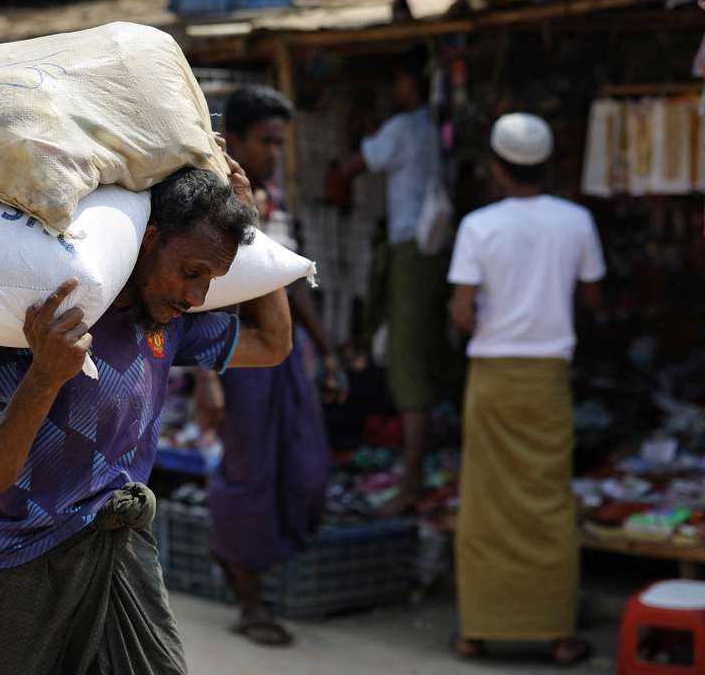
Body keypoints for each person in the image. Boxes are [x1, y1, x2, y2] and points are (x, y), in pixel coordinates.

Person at [0, 154, 294, 675]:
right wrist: (45, 375)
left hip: (126, 554)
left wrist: (253, 222)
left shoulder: (165, 323)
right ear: (149, 239)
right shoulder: (41, 320)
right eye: (192, 272)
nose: (198, 295)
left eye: (213, 279)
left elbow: (272, 343)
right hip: (31, 571)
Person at [447, 113, 602, 666]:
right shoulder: (577, 221)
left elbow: (463, 311)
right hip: (546, 377)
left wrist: (491, 318)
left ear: (497, 167)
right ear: (549, 165)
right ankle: (558, 634)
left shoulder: (479, 226)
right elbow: (591, 298)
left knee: (486, 500)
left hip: (493, 375)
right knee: (549, 498)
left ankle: (477, 631)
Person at [196, 86, 343, 647]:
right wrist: (207, 379)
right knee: (249, 476)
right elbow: (196, 297)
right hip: (234, 356)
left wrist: (327, 350)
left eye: (281, 142)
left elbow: (287, 281)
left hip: (282, 356)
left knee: (304, 469)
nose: (276, 152)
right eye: (267, 141)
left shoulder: (274, 200)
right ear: (236, 140)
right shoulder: (211, 201)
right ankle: (250, 601)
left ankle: (244, 567)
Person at [340, 48, 447, 515]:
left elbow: (352, 165)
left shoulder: (404, 128)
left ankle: (411, 478)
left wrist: (356, 129)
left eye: (399, 83)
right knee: (419, 348)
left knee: (406, 358)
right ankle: (418, 466)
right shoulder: (434, 128)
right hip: (429, 249)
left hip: (410, 247)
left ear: (412, 84)